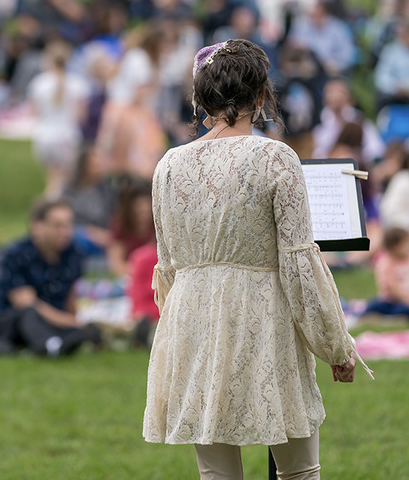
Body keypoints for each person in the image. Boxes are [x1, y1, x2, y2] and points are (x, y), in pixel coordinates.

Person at [144, 40, 367, 480]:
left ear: (200, 98)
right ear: (262, 96)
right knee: (300, 472)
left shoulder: (168, 165)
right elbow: (300, 265)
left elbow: (167, 269)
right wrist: (334, 344)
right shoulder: (275, 157)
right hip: (262, 316)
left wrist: (177, 333)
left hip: (192, 320)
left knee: (218, 475)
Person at [0, 198, 98, 357]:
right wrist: (69, 322)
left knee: (80, 330)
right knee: (29, 313)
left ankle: (58, 342)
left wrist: (74, 322)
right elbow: (26, 303)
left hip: (54, 322)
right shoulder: (15, 254)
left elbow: (70, 297)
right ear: (37, 226)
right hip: (11, 325)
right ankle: (51, 345)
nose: (65, 232)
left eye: (68, 225)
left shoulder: (74, 253)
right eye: (57, 225)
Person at [27, 41, 89, 199]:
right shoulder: (77, 84)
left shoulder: (39, 83)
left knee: (52, 178)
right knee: (63, 180)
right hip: (67, 136)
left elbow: (35, 112)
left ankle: (52, 204)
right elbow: (81, 116)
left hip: (44, 136)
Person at [363, 227, 409, 319]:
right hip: (391, 301)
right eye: (407, 244)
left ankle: (392, 317)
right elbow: (393, 288)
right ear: (395, 247)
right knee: (375, 305)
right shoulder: (386, 263)